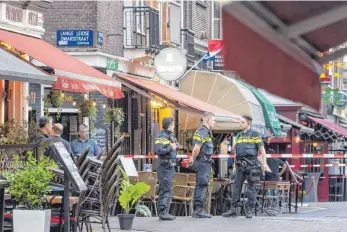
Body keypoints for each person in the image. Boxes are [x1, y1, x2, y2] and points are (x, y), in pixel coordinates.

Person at [223, 115, 270, 219]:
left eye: (242, 122)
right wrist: (235, 165)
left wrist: (265, 163)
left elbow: (262, 150)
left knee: (251, 188)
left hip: (251, 165)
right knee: (236, 187)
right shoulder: (239, 135)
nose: (240, 123)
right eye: (240, 122)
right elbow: (236, 152)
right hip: (240, 165)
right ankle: (233, 209)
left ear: (248, 123)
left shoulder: (255, 134)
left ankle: (249, 210)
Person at [188, 112, 215, 218]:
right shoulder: (203, 131)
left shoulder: (206, 132)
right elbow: (196, 148)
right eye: (213, 120)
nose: (214, 122)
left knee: (201, 185)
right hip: (203, 163)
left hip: (205, 162)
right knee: (202, 185)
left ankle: (198, 210)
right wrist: (192, 159)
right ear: (208, 120)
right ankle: (199, 210)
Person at [155, 117, 178, 221]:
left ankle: (165, 212)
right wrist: (171, 147)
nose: (174, 126)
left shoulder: (170, 135)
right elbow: (159, 150)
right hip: (164, 167)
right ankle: (163, 212)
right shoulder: (161, 135)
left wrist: (175, 145)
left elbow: (174, 145)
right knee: (164, 189)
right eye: (173, 124)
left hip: (169, 166)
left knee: (167, 189)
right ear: (168, 125)